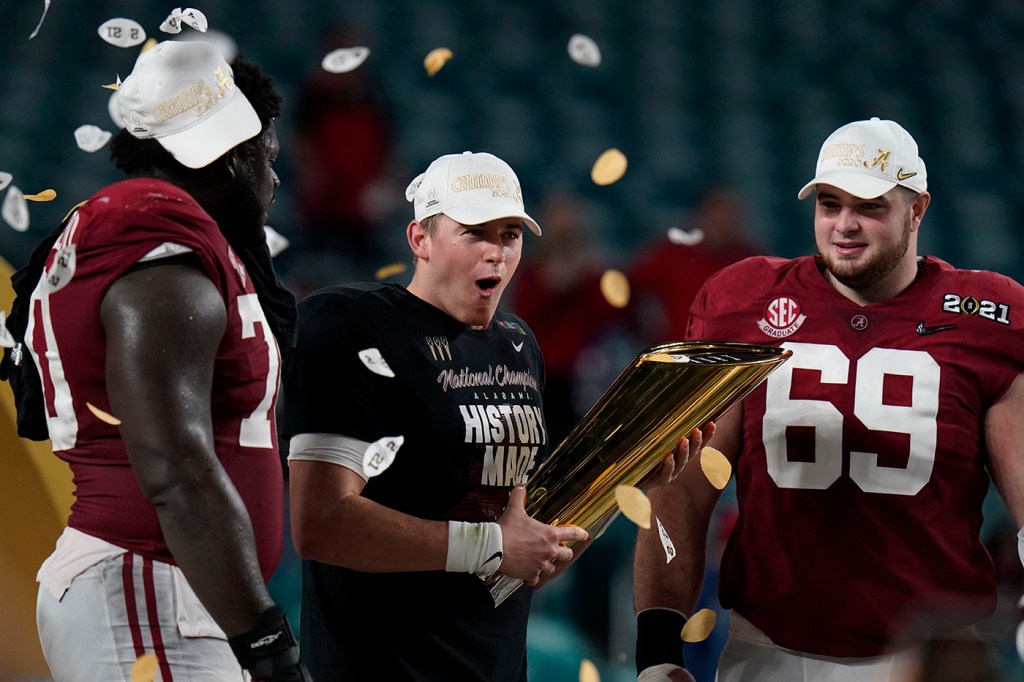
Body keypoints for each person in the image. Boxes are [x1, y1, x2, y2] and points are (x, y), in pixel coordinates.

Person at [280, 151, 699, 680]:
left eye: (510, 235)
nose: (497, 253)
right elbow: (319, 523)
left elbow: (522, 564)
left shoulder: (518, 345)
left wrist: (622, 481)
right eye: (475, 233)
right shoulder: (350, 324)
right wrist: (494, 546)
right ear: (420, 239)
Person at [633, 117, 1024, 682]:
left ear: (917, 209)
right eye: (830, 203)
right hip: (770, 648)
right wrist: (658, 648)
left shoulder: (987, 316)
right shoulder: (744, 302)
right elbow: (683, 489)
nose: (844, 225)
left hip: (934, 656)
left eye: (869, 206)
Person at [1, 41, 308, 681]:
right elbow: (176, 470)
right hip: (149, 584)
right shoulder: (157, 247)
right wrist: (267, 643)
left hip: (170, 591)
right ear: (232, 156)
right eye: (268, 159)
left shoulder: (176, 242)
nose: (275, 181)